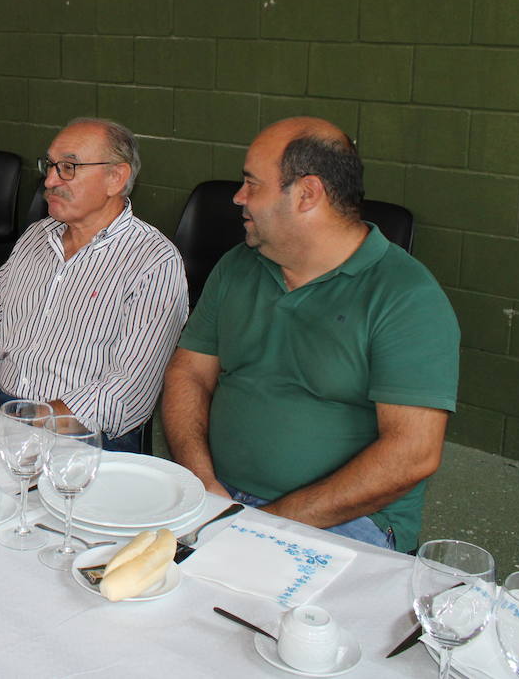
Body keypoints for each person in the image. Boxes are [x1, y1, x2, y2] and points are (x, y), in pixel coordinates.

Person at [160, 117, 460, 552]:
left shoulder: (406, 296)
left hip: (344, 518)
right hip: (217, 496)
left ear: (306, 194)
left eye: (252, 184)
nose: (238, 198)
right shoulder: (238, 265)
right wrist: (203, 483)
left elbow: (413, 452)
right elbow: (189, 372)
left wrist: (264, 524)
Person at [0, 118, 188, 454]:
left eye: (68, 168)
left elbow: (126, 389)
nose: (49, 180)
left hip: (85, 436)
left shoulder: (154, 261)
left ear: (115, 177)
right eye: (50, 165)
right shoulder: (36, 236)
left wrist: (23, 422)